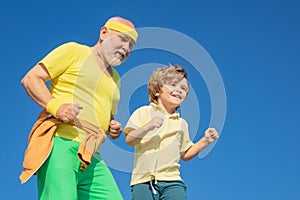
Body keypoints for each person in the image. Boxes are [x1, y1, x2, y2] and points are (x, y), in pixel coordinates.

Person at [20, 16, 138, 200]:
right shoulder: (74, 51)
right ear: (104, 33)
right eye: (123, 39)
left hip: (91, 154)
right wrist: (57, 107)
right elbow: (31, 79)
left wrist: (111, 127)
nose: (127, 48)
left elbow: (107, 116)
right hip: (61, 142)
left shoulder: (116, 79)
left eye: (131, 45)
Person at [124, 65, 219, 200]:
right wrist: (148, 126)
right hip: (142, 181)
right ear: (157, 90)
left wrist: (205, 140)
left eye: (184, 89)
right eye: (173, 85)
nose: (179, 90)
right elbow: (130, 139)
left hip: (172, 181)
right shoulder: (143, 112)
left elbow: (185, 154)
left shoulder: (181, 123)